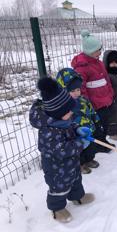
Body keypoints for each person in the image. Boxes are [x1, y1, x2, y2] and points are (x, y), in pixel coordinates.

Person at [29, 77, 95, 223]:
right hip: (56, 168)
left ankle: (78, 197)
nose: (72, 113)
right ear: (57, 113)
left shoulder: (63, 121)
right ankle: (57, 209)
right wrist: (79, 144)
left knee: (76, 180)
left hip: (71, 163)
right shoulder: (48, 131)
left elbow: (70, 128)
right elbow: (61, 150)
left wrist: (78, 130)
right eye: (69, 112)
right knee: (59, 188)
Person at [56, 68, 114, 174]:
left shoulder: (83, 100)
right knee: (80, 150)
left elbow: (92, 111)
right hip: (76, 133)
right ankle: (81, 164)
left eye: (78, 90)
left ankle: (89, 160)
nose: (76, 93)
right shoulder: (64, 105)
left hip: (89, 130)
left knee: (91, 147)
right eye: (72, 91)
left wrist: (96, 122)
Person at [71, 30, 114, 135]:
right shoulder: (82, 67)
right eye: (97, 50)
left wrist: (111, 93)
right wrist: (87, 104)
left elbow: (106, 80)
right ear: (89, 51)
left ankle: (104, 140)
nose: (100, 53)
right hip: (95, 104)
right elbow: (81, 88)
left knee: (106, 123)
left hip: (105, 100)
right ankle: (101, 143)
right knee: (98, 126)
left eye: (100, 50)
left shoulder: (99, 63)